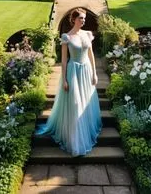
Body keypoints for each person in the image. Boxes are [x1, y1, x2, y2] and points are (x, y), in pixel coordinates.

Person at [36, 8, 102, 156]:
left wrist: (95, 73)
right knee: (75, 104)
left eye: (84, 19)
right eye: (81, 19)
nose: (83, 21)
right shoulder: (67, 37)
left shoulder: (87, 34)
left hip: (86, 71)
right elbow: (64, 61)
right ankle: (74, 138)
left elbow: (91, 55)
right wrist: (64, 79)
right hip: (73, 72)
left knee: (86, 102)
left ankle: (85, 128)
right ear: (74, 20)